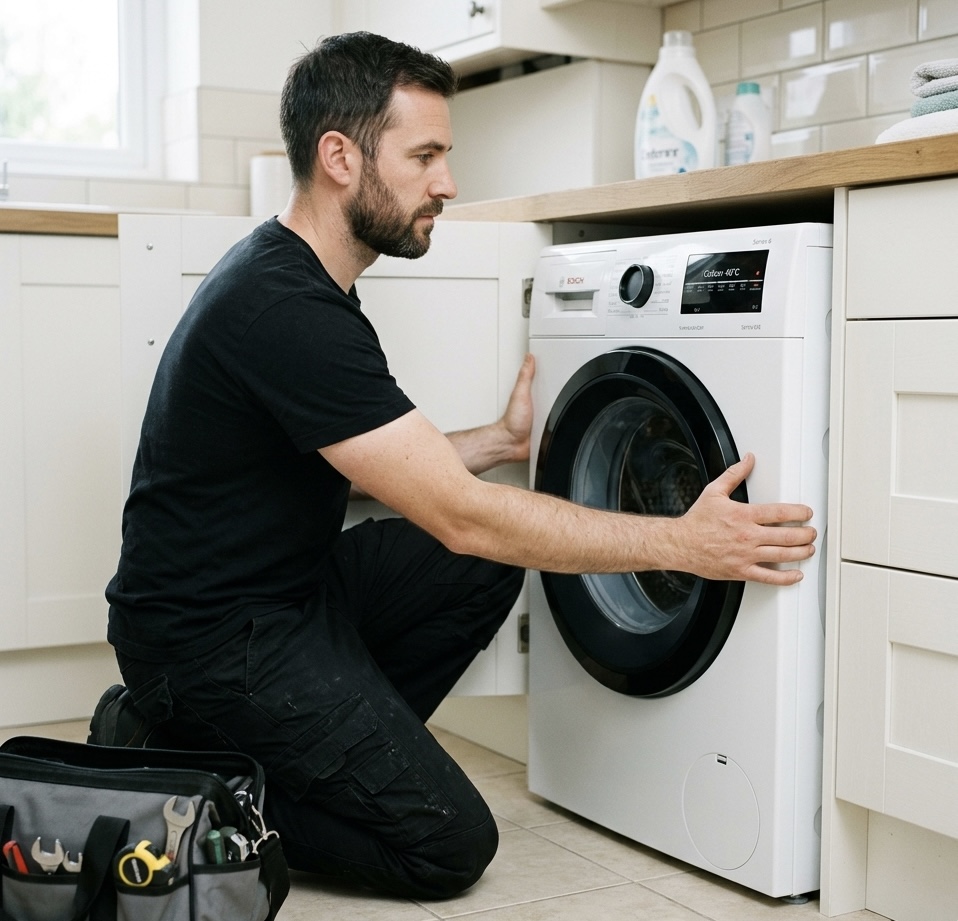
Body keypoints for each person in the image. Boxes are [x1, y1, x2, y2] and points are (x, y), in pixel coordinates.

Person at [90, 31, 817, 901]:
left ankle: (331, 746)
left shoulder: (299, 277)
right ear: (340, 158)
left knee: (481, 566)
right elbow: (458, 511)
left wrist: (499, 444)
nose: (449, 182)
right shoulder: (287, 308)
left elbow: (375, 462)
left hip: (285, 594)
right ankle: (170, 762)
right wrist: (682, 544)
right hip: (208, 641)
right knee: (447, 843)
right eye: (425, 155)